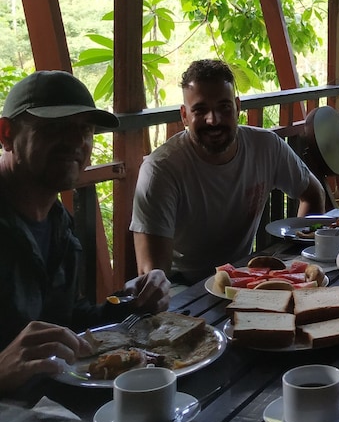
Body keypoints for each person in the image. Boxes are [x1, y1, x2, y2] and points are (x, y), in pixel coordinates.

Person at [0, 70, 170, 393]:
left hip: (52, 404)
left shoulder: (58, 223)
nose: (76, 142)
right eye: (54, 128)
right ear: (6, 134)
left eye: (85, 130)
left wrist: (132, 302)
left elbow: (67, 321)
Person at [130, 59, 326, 283]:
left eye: (224, 107)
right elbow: (152, 275)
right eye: (200, 110)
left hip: (243, 277)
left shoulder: (266, 146)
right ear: (184, 115)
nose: (213, 120)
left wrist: (299, 253)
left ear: (237, 107)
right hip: (182, 286)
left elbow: (313, 194)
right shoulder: (160, 170)